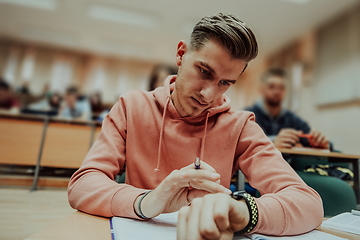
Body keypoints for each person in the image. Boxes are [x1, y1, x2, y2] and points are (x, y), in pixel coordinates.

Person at [68, 13, 323, 239]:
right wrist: (148, 201)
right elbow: (83, 185)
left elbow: (308, 204)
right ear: (181, 54)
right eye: (204, 71)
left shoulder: (240, 126)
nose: (209, 94)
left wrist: (243, 211)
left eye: (225, 82)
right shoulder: (131, 107)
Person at [246, 68, 330, 149]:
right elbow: (240, 144)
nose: (277, 91)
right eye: (271, 87)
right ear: (261, 89)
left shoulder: (293, 119)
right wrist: (272, 141)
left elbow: (313, 138)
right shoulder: (247, 116)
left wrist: (322, 143)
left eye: (281, 88)